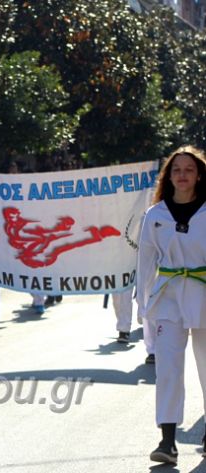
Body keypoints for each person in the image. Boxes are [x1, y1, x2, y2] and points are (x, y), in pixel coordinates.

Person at [135, 146, 206, 465]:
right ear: (168, 175)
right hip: (168, 298)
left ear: (199, 174)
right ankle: (167, 440)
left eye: (188, 169)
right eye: (176, 169)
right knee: (167, 370)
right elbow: (145, 261)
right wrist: (143, 303)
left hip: (204, 293)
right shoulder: (156, 215)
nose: (182, 175)